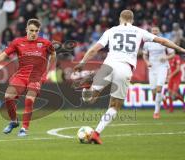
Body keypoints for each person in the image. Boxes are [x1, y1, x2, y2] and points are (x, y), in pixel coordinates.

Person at [73, 10, 185, 144]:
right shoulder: (139, 31)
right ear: (132, 20)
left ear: (120, 19)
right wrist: (181, 49)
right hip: (124, 68)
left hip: (108, 65)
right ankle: (96, 133)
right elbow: (162, 41)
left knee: (89, 99)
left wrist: (82, 63)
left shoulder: (111, 31)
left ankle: (86, 88)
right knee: (115, 105)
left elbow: (93, 50)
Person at [0, 19, 56, 137]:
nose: (34, 33)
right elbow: (4, 55)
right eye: (31, 30)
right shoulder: (18, 42)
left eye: (36, 31)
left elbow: (53, 54)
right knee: (8, 96)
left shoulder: (46, 43)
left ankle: (24, 129)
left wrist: (48, 70)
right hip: (21, 75)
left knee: (29, 99)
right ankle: (14, 121)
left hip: (36, 77)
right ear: (26, 29)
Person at [142, 27, 175, 119]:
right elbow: (144, 55)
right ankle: (161, 98)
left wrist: (166, 58)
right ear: (151, 32)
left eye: (156, 31)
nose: (155, 32)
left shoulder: (164, 41)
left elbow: (173, 53)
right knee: (153, 91)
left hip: (162, 67)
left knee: (159, 89)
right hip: (152, 67)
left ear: (159, 31)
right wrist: (147, 62)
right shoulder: (147, 42)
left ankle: (156, 112)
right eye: (153, 31)